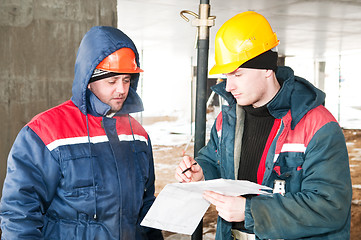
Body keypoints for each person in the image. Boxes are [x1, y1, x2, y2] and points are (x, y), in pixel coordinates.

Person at [175, 11, 352, 240]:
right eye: (226, 76)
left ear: (267, 70)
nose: (228, 87)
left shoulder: (316, 125)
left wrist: (250, 212)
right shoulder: (228, 118)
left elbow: (330, 207)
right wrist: (201, 172)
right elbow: (214, 160)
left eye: (237, 74)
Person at [0, 26, 163, 240]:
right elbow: (19, 213)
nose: (122, 90)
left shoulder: (137, 135)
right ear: (88, 80)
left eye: (126, 80)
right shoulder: (45, 132)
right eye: (112, 81)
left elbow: (146, 208)